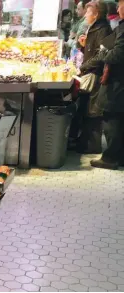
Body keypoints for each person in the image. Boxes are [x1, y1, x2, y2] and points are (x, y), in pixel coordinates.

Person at [91, 0, 124, 170]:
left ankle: (110, 158)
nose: (118, 9)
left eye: (120, 5)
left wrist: (103, 51)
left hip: (118, 83)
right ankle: (118, 157)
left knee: (112, 119)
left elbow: (117, 55)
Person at [76, 1, 112, 154]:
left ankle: (92, 146)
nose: (85, 16)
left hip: (96, 76)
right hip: (91, 72)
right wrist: (83, 46)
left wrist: (83, 67)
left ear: (96, 14)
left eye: (88, 13)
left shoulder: (103, 29)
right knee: (87, 108)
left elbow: (101, 56)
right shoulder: (94, 28)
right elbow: (93, 52)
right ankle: (85, 143)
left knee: (93, 111)